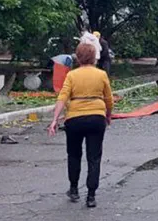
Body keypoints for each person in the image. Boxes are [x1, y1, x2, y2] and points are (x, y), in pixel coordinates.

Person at [47, 41, 113, 207]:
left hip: (74, 119)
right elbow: (109, 99)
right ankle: (91, 196)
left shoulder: (72, 75)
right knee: (94, 157)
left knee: (74, 155)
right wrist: (108, 115)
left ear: (78, 57)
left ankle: (74, 189)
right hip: (96, 118)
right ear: (93, 57)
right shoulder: (101, 75)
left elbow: (62, 97)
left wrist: (55, 119)